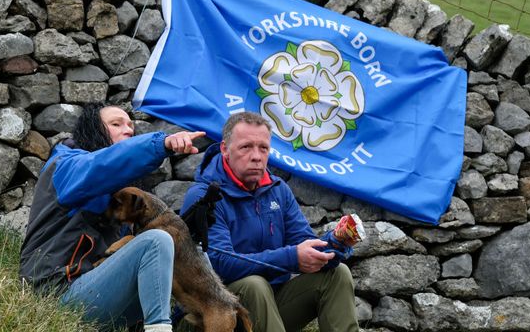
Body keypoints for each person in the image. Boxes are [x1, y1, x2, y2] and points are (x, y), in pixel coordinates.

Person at [20, 102, 204, 332]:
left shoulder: (123, 192)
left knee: (192, 256)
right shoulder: (68, 165)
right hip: (54, 292)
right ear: (93, 130)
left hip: (95, 294)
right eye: (116, 124)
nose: (128, 129)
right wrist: (161, 143)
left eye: (130, 126)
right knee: (156, 241)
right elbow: (102, 165)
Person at [180, 112, 359, 332]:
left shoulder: (278, 189)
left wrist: (334, 245)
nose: (256, 156)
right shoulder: (204, 196)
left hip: (271, 307)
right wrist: (292, 257)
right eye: (246, 147)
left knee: (337, 274)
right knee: (255, 284)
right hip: (215, 314)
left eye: (263, 148)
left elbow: (303, 242)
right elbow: (218, 265)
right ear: (225, 149)